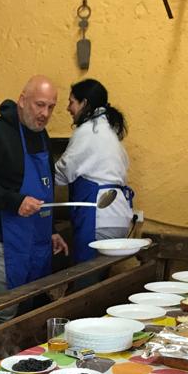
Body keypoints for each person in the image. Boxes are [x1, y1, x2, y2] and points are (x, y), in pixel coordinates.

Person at [0, 75, 68, 326]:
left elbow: (45, 189)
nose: (45, 113)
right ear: (22, 100)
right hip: (3, 241)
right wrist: (14, 201)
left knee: (28, 309)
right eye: (39, 104)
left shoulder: (41, 135)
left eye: (51, 107)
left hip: (36, 239)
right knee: (5, 312)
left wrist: (51, 230)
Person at [54, 78, 135, 263]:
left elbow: (63, 172)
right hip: (118, 217)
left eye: (71, 102)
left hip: (98, 218)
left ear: (84, 103)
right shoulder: (108, 131)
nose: (68, 108)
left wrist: (41, 177)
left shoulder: (89, 131)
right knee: (99, 279)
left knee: (86, 280)